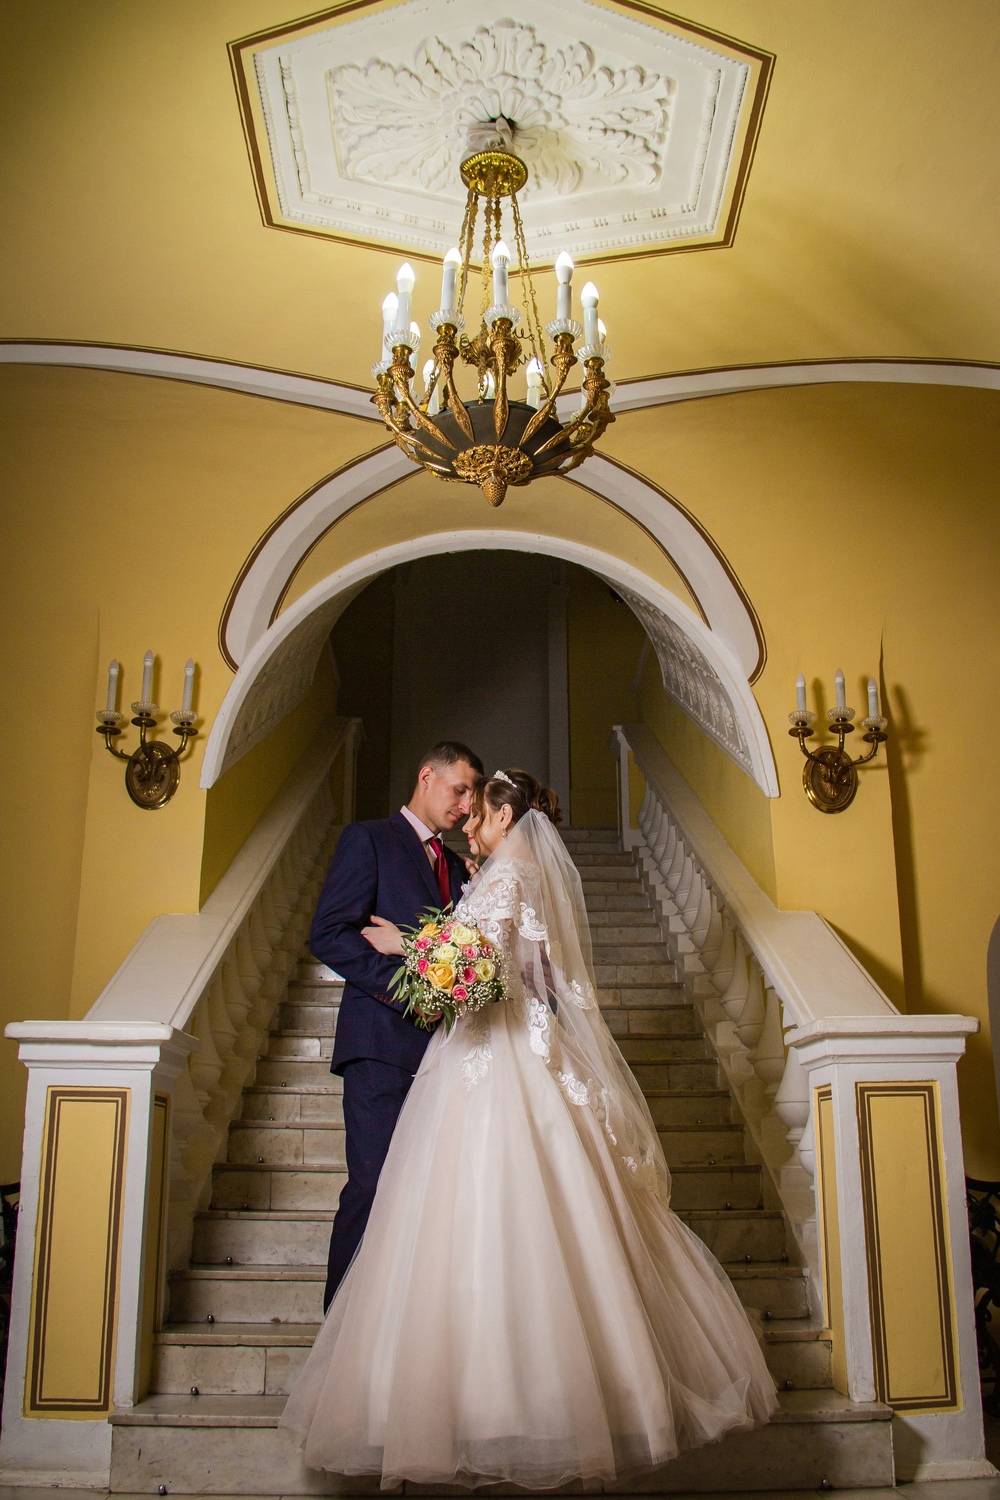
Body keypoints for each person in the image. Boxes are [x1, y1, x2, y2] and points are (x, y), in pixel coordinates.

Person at [283, 769, 778, 1487]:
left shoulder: (508, 876)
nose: (467, 821)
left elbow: (476, 975)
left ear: (505, 816)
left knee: (488, 1206)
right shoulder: (507, 873)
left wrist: (403, 944)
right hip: (496, 1049)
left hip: (493, 1054)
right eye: (462, 805)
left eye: (478, 811)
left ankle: (495, 1401)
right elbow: (517, 970)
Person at [308, 740, 483, 1310]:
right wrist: (408, 994)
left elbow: (463, 960)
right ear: (426, 775)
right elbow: (329, 933)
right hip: (380, 1047)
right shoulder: (369, 840)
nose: (466, 805)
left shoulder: (456, 868)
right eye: (460, 789)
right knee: (373, 1185)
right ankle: (340, 1326)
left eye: (473, 796)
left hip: (444, 1057)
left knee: (427, 1197)